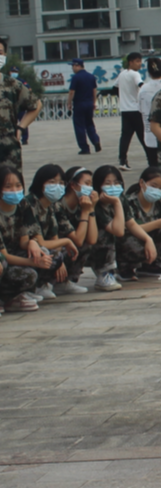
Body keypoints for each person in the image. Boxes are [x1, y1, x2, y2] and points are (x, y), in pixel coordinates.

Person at [90, 165, 155, 291]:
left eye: (116, 182)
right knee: (107, 234)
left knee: (138, 238)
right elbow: (118, 231)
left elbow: (130, 223)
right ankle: (104, 273)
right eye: (107, 183)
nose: (113, 186)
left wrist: (148, 240)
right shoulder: (97, 204)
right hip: (97, 245)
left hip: (115, 241)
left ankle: (125, 268)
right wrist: (116, 203)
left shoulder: (121, 198)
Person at [0, 164, 52, 310]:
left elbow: (23, 239)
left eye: (18, 186)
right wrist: (33, 262)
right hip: (4, 259)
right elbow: (4, 255)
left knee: (44, 253)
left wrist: (32, 243)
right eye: (8, 187)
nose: (14, 191)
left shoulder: (23, 204)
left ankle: (18, 295)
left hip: (14, 253)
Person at [25, 163, 80, 299]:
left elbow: (54, 238)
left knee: (63, 251)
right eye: (51, 182)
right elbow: (40, 241)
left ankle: (56, 282)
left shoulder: (51, 206)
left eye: (61, 183)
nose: (57, 186)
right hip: (28, 248)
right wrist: (66, 242)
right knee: (54, 251)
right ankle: (37, 285)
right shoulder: (30, 204)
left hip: (42, 247)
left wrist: (59, 258)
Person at [120, 166, 161, 278]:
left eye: (160, 188)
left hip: (154, 244)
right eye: (153, 186)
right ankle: (124, 267)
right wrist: (157, 224)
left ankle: (153, 264)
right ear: (142, 183)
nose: (156, 191)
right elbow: (128, 228)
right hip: (133, 242)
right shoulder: (129, 202)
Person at [0, 40, 42, 173]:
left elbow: (36, 104)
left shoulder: (12, 84)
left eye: (0, 52)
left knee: (10, 189)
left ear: (5, 55)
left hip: (7, 150)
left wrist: (20, 128)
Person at [60, 166, 98, 293]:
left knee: (87, 245)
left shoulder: (82, 205)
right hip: (55, 247)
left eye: (91, 184)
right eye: (86, 184)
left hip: (69, 245)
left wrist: (91, 209)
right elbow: (78, 240)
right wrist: (85, 212)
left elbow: (91, 240)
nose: (90, 188)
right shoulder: (60, 205)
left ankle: (68, 281)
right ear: (72, 185)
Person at [115, 52, 145, 170]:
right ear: (130, 62)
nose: (140, 64)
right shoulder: (135, 74)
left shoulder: (122, 74)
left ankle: (122, 161)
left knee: (125, 137)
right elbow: (141, 85)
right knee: (143, 136)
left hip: (125, 110)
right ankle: (152, 159)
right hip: (135, 109)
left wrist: (123, 98)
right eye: (137, 61)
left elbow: (114, 87)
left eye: (140, 61)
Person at [137, 57, 161, 167]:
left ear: (149, 72)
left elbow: (141, 110)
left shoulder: (143, 89)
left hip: (150, 135)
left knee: (154, 166)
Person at [68, 58, 101, 155]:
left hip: (79, 104)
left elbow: (71, 92)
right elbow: (94, 91)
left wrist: (69, 103)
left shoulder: (76, 77)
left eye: (73, 66)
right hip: (89, 103)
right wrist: (94, 102)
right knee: (89, 124)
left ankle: (84, 148)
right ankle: (95, 140)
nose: (72, 68)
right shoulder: (91, 77)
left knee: (79, 126)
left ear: (77, 65)